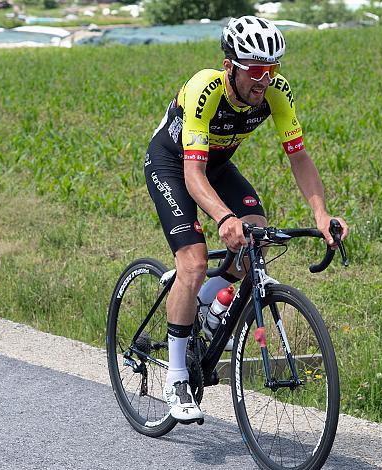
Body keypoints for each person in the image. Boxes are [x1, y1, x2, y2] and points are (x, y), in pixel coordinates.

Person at [144, 15, 349, 423]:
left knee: (257, 231)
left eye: (271, 70)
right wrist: (222, 217)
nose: (264, 80)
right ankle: (178, 379)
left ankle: (203, 299)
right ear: (230, 67)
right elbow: (192, 174)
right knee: (194, 261)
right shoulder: (206, 88)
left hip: (216, 166)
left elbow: (299, 157)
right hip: (173, 164)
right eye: (255, 70)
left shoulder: (276, 92)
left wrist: (322, 214)